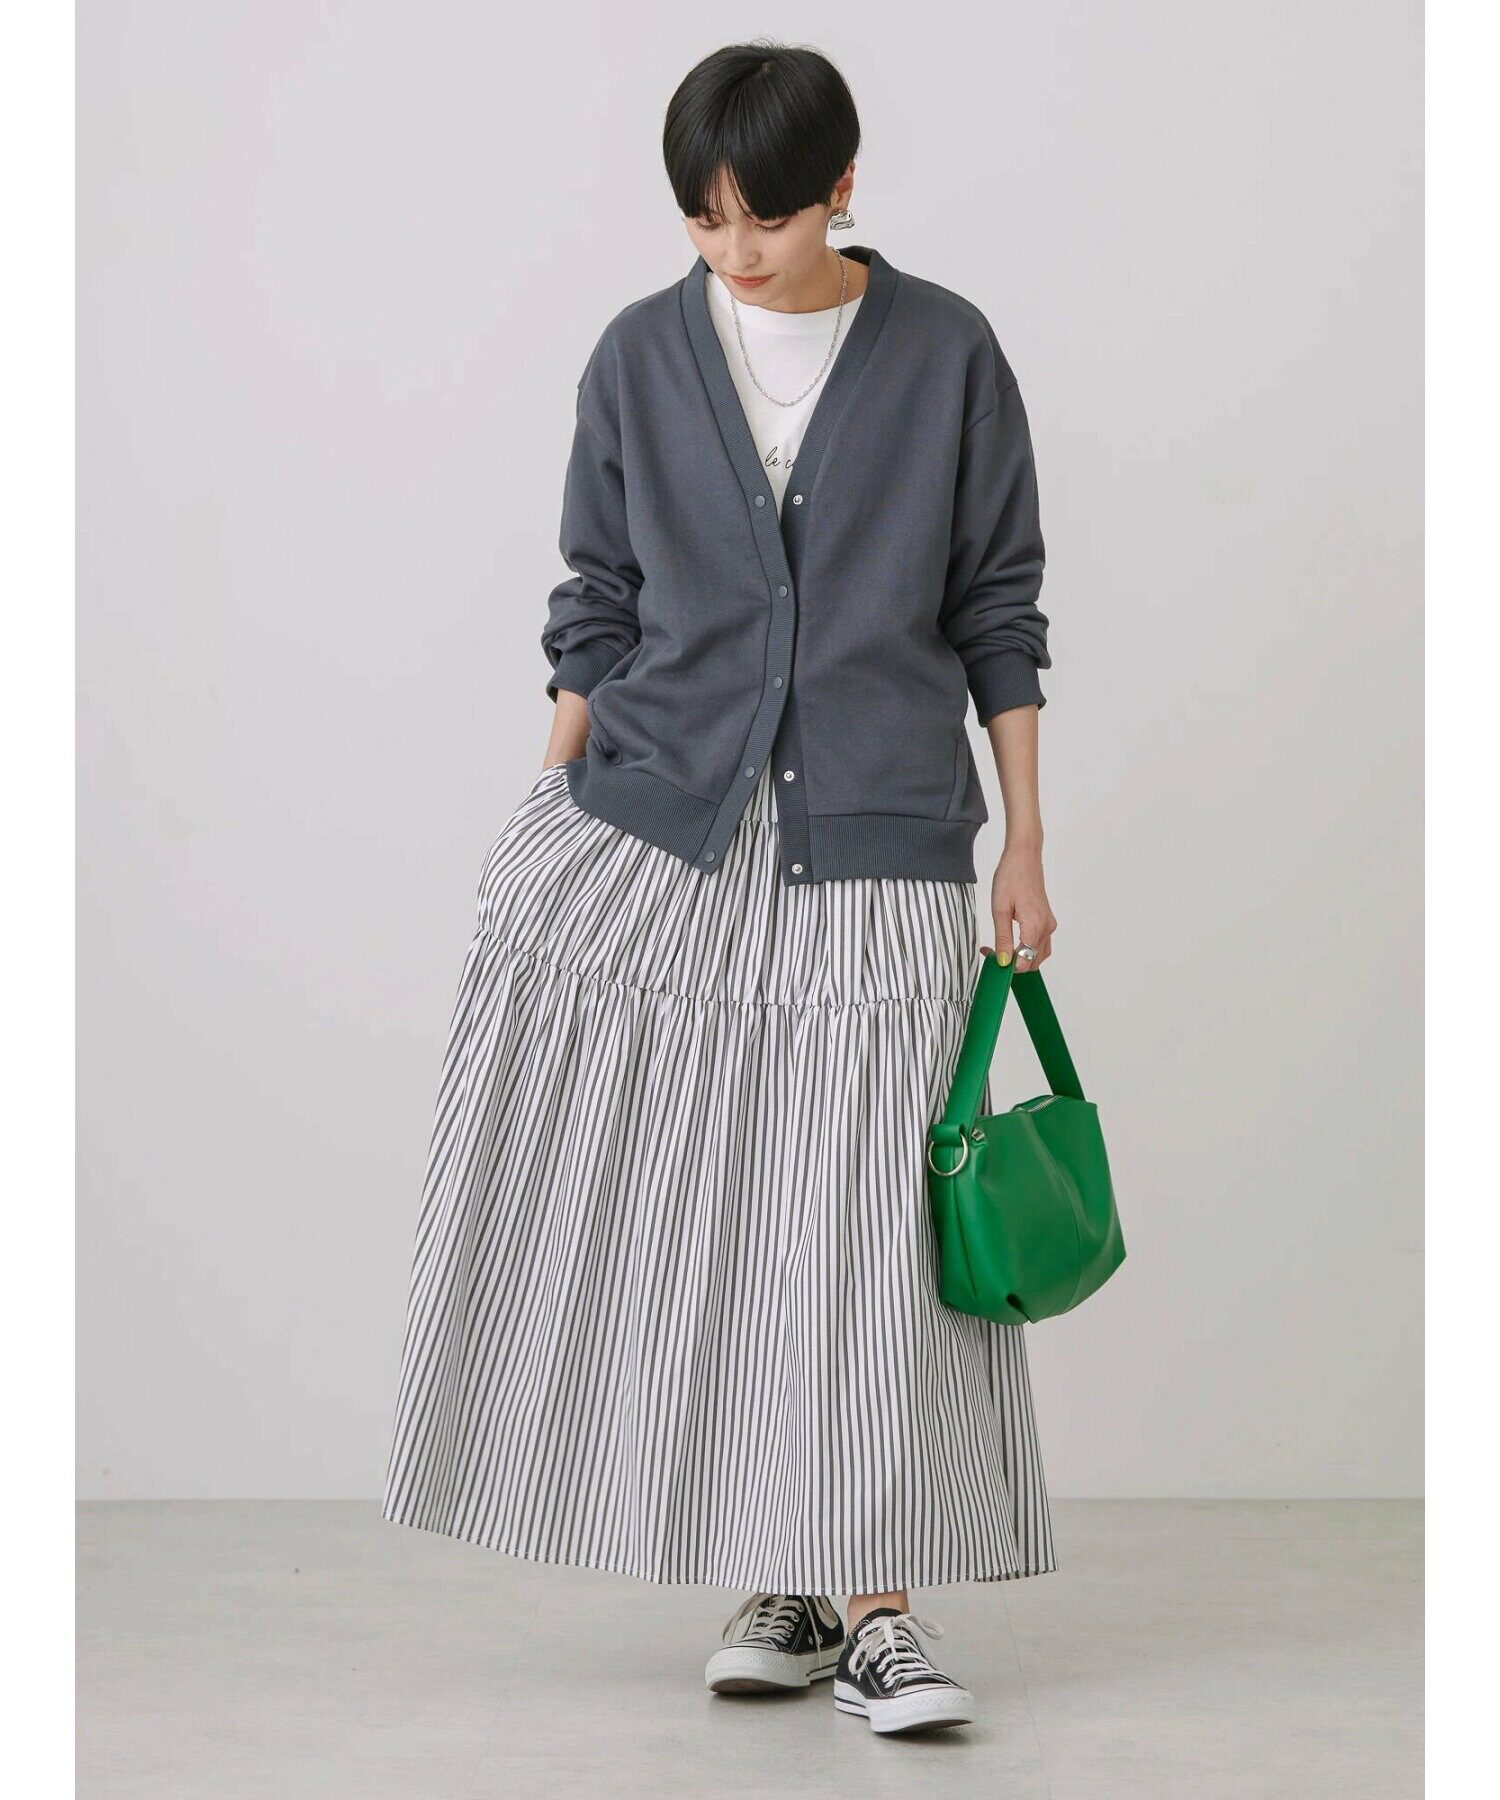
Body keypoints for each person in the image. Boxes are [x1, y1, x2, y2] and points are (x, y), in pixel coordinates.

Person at [383, 39, 1058, 1740]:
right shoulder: (638, 354)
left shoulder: (947, 353)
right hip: (664, 826)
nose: (734, 251)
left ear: (843, 187)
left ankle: (881, 1605)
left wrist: (1027, 842)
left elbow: (998, 612)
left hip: (883, 834)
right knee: (736, 1208)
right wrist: (542, 806)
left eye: (764, 216)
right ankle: (788, 1578)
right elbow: (598, 599)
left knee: (873, 1223)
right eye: (703, 219)